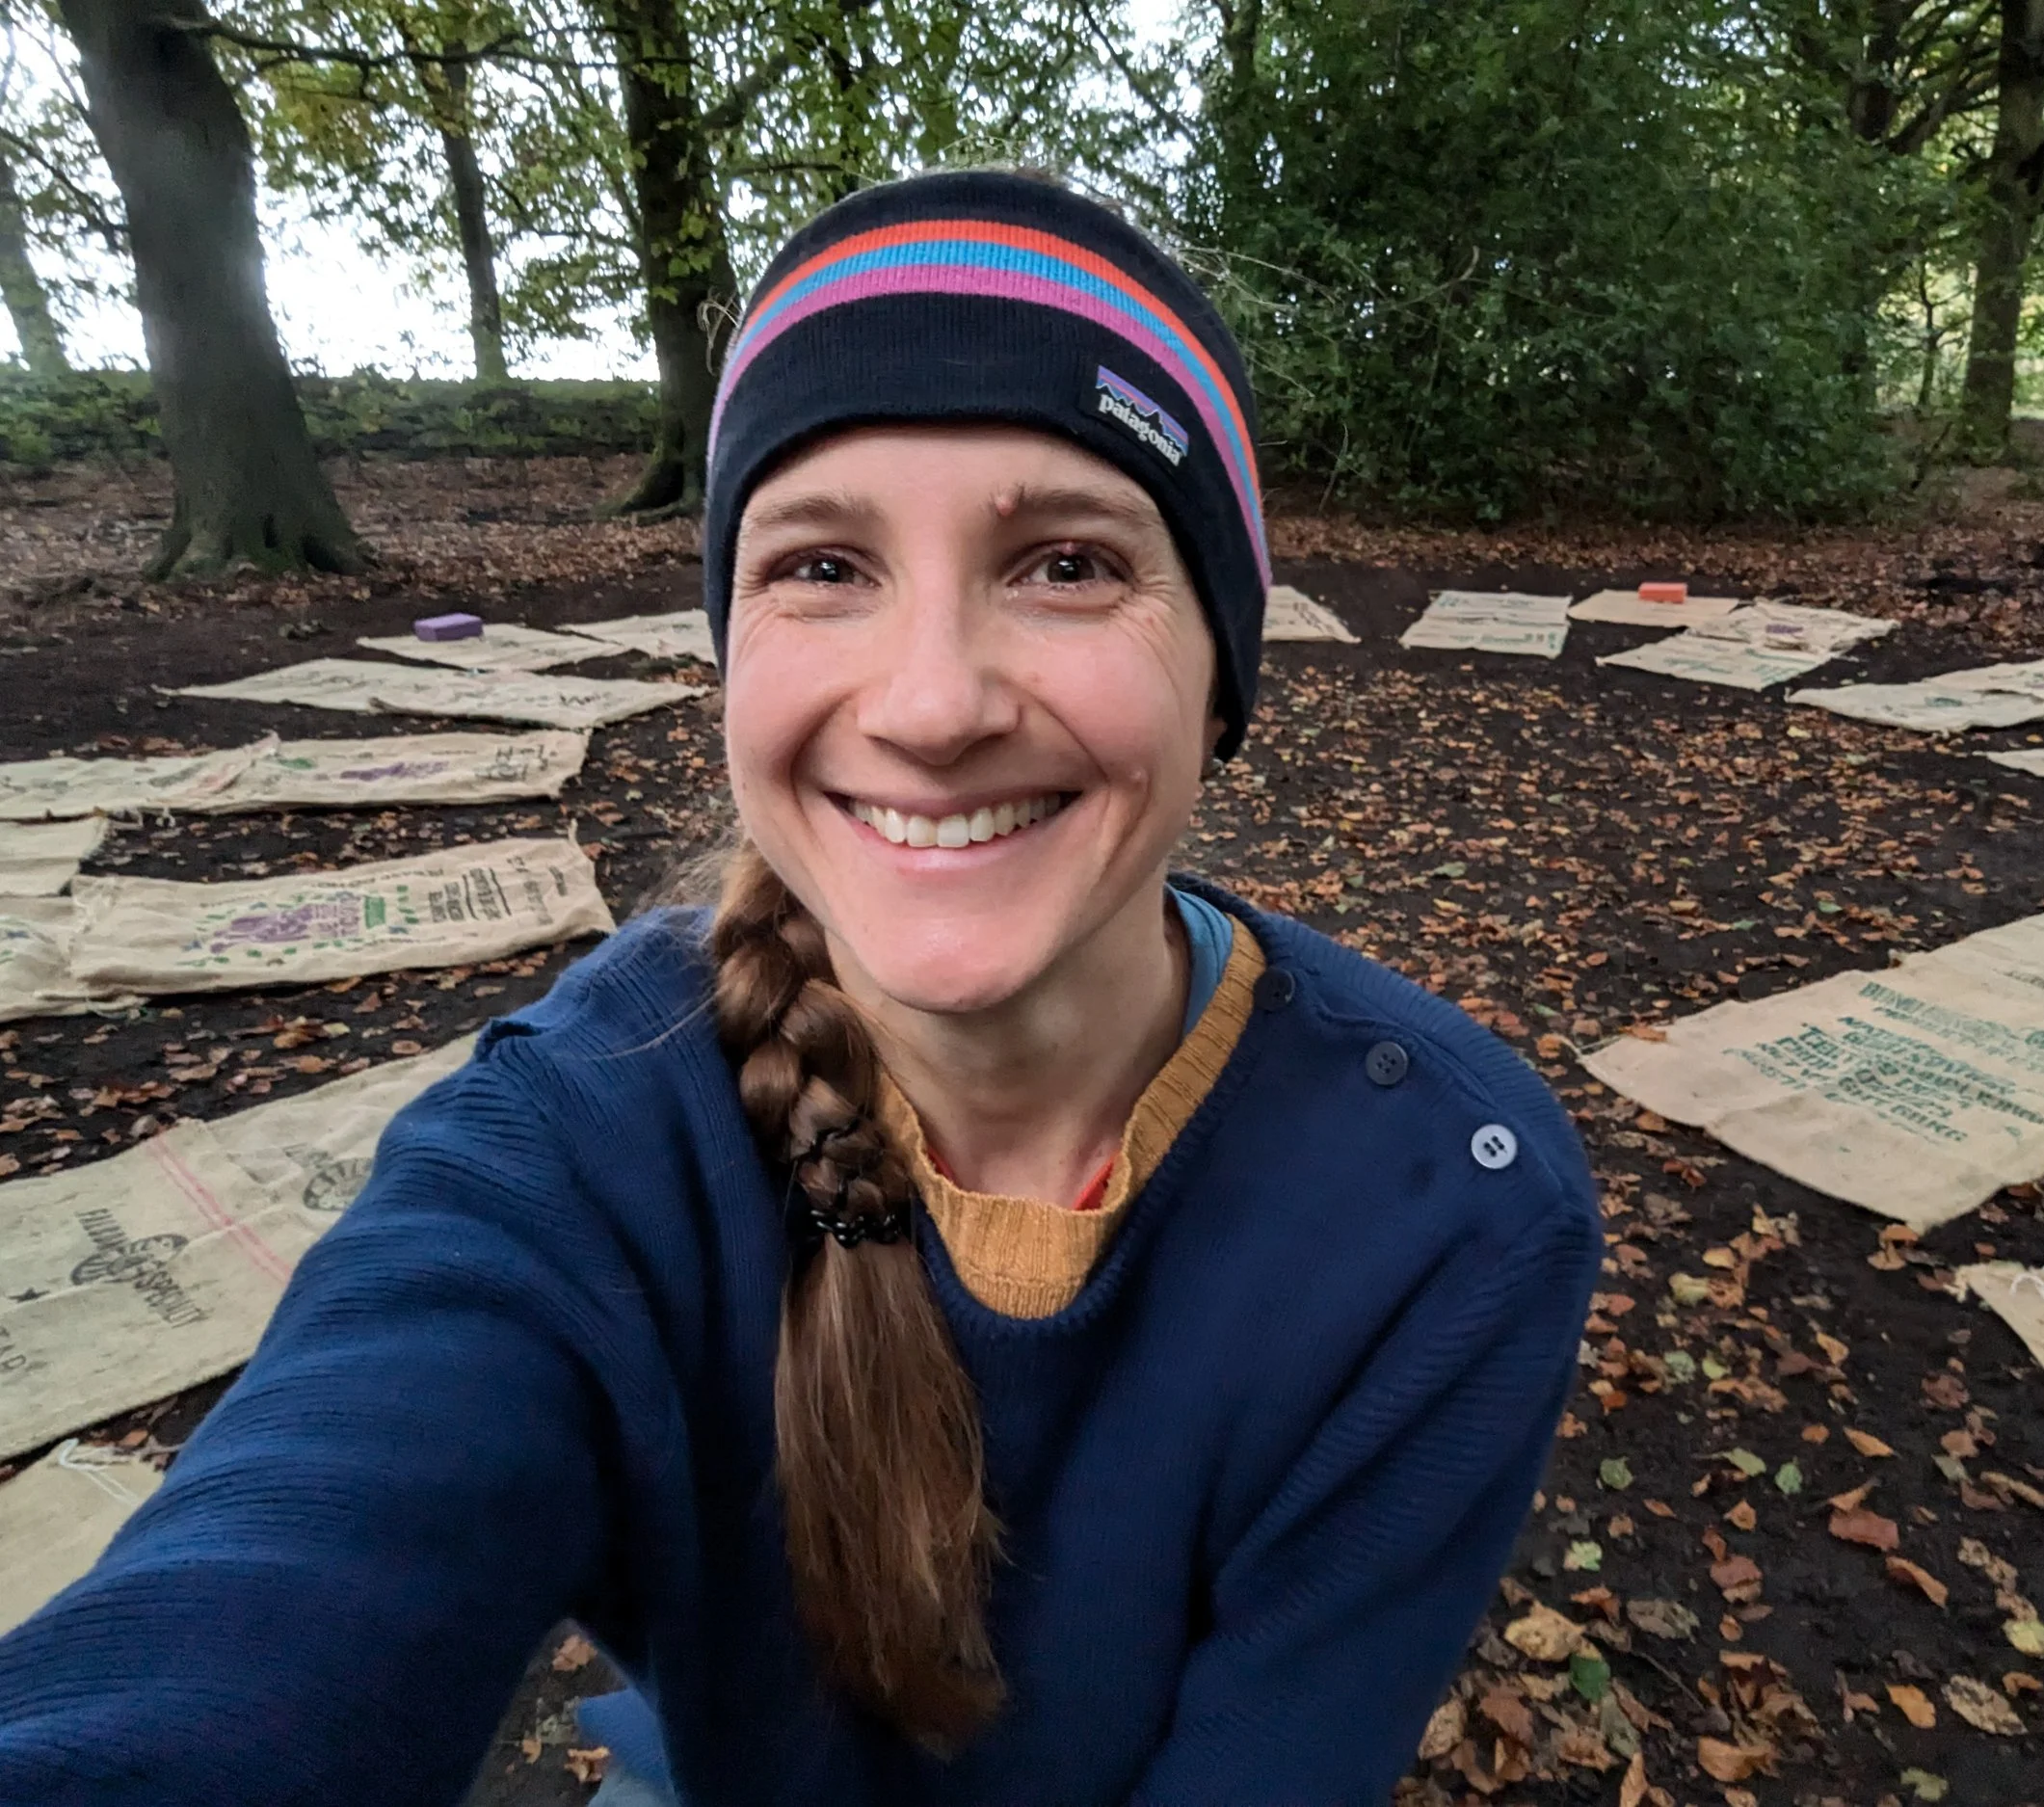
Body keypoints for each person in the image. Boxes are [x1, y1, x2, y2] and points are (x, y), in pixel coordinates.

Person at [0, 171, 1600, 1805]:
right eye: (824, 566)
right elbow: (255, 1612)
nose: (929, 704)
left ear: (1221, 664)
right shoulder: (577, 1131)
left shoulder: (1450, 1209)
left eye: (1065, 564)